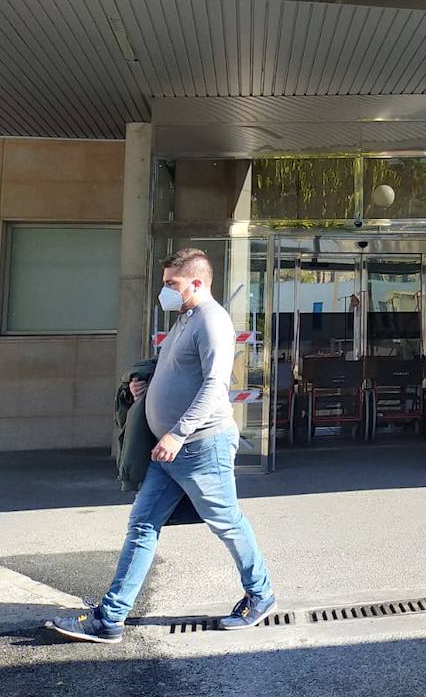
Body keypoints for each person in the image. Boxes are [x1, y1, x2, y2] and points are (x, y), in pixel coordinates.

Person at [47, 248, 275, 643]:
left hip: (200, 447)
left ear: (197, 282)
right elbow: (177, 374)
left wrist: (177, 433)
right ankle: (110, 618)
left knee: (227, 522)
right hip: (168, 451)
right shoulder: (185, 320)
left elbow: (215, 386)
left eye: (172, 283)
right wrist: (145, 391)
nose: (164, 291)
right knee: (142, 524)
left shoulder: (212, 321)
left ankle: (261, 594)